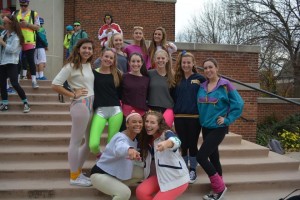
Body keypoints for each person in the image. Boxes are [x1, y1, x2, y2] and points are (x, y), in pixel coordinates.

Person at [196, 57, 244, 200]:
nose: (208, 70)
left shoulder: (225, 85)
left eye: (211, 67)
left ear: (217, 68)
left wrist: (227, 119)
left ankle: (219, 188)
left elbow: (239, 103)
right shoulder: (202, 86)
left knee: (201, 156)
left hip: (218, 127)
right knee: (214, 157)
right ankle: (218, 184)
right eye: (205, 68)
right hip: (205, 127)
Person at [51, 38, 95, 187]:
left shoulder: (89, 65)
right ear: (78, 49)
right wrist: (72, 94)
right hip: (81, 105)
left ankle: (78, 171)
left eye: (90, 48)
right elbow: (55, 84)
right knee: (76, 141)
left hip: (91, 104)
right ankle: (74, 176)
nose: (87, 51)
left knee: (89, 143)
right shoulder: (70, 66)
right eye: (84, 48)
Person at [136, 111, 189, 200]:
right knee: (141, 191)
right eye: (147, 121)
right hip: (161, 176)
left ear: (159, 125)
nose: (148, 125)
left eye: (152, 122)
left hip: (177, 179)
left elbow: (176, 141)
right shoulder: (147, 138)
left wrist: (167, 143)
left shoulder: (166, 133)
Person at [90, 112, 144, 200]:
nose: (138, 124)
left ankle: (116, 188)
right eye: (134, 122)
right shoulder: (120, 137)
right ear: (127, 124)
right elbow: (120, 148)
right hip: (100, 174)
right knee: (125, 193)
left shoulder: (135, 139)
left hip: (114, 174)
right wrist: (129, 149)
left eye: (140, 122)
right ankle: (119, 191)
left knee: (142, 172)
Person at [172, 51, 206, 184]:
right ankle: (184, 168)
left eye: (188, 62)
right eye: (183, 62)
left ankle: (193, 169)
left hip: (194, 117)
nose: (186, 65)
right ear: (180, 64)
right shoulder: (175, 79)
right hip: (179, 116)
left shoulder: (200, 79)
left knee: (192, 144)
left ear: (193, 64)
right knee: (183, 144)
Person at [89, 48, 123, 156]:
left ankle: (106, 163)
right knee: (93, 144)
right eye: (106, 56)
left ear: (114, 60)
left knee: (111, 144)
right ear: (101, 56)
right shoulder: (93, 73)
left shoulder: (117, 74)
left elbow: (121, 93)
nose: (108, 59)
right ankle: (100, 156)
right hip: (100, 111)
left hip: (116, 111)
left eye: (111, 58)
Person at [0, 15, 30, 113]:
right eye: (2, 22)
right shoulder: (4, 33)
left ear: (11, 24)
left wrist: (2, 42)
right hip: (2, 62)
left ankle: (25, 102)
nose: (2, 24)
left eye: (4, 23)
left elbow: (12, 50)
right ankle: (4, 103)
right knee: (2, 83)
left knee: (14, 83)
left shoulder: (16, 37)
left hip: (12, 62)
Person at [15, 0, 40, 89]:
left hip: (29, 41)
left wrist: (27, 24)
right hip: (17, 41)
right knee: (17, 61)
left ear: (28, 4)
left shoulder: (34, 14)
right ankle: (17, 80)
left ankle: (34, 81)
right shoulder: (16, 13)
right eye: (21, 5)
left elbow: (37, 27)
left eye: (25, 5)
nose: (23, 7)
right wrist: (18, 25)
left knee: (30, 61)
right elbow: (11, 25)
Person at [120, 52, 149, 130]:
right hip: (126, 114)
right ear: (129, 62)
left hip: (141, 114)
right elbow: (119, 94)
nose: (135, 64)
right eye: (133, 61)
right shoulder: (124, 77)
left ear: (142, 63)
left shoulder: (146, 79)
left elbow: (147, 96)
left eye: (138, 61)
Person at [147, 49, 175, 128]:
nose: (160, 60)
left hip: (167, 109)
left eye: (163, 58)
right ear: (155, 59)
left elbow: (175, 94)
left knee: (164, 133)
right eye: (158, 58)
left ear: (167, 59)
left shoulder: (172, 75)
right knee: (151, 135)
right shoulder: (149, 73)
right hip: (151, 108)